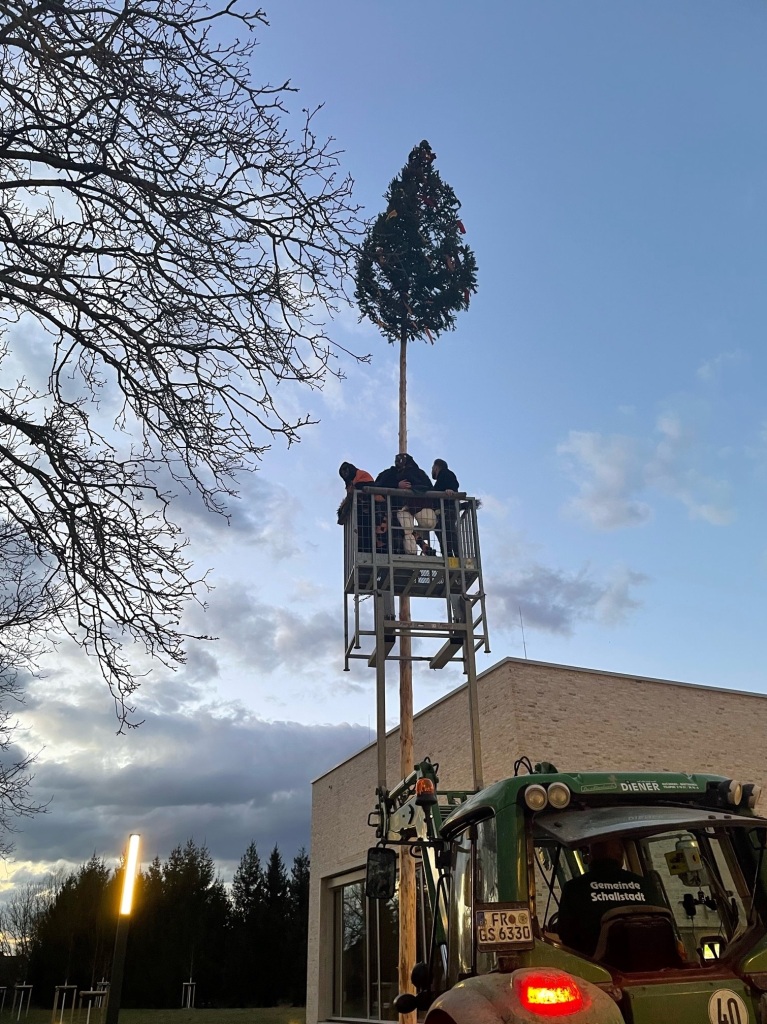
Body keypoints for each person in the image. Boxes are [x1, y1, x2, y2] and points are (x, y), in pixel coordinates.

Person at [556, 837, 659, 957]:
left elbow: (566, 935)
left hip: (596, 969)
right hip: (650, 965)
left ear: (589, 855)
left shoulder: (574, 888)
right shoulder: (646, 886)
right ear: (621, 854)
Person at [375, 453, 437, 554]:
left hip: (407, 508)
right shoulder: (392, 474)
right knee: (407, 529)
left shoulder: (414, 473)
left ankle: (414, 552)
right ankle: (413, 552)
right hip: (401, 510)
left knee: (409, 529)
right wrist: (397, 485)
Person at [338, 462, 375, 552]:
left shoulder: (361, 474)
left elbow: (371, 485)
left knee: (367, 534)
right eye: (343, 473)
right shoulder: (349, 483)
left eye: (346, 471)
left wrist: (355, 488)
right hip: (359, 514)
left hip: (368, 510)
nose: (345, 474)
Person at [431, 458, 460, 557]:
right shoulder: (446, 475)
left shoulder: (445, 474)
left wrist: (450, 490)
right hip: (447, 510)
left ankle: (453, 556)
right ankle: (452, 556)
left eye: (432, 468)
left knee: (448, 535)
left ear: (436, 467)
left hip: (447, 510)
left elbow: (453, 485)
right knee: (447, 535)